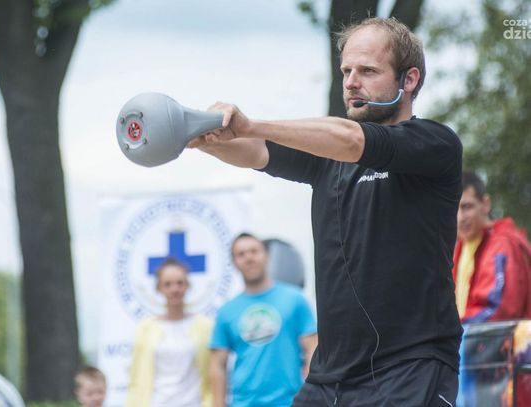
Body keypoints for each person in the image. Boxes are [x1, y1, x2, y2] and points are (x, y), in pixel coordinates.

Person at [190, 16, 463, 406]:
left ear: (409, 79)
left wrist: (250, 124)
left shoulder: (434, 144)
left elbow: (351, 141)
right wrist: (199, 136)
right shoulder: (327, 158)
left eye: (367, 71)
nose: (351, 82)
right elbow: (257, 151)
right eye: (346, 71)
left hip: (410, 368)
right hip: (329, 377)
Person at [210, 233, 317, 407]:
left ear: (266, 256)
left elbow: (313, 348)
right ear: (234, 263)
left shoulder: (295, 299)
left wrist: (311, 396)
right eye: (241, 254)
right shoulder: (226, 311)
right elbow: (217, 365)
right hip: (244, 403)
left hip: (290, 402)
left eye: (254, 251)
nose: (249, 258)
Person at [125, 258, 213, 407]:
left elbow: (214, 373)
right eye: (167, 284)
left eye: (180, 283)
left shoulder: (206, 326)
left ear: (187, 286)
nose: (174, 289)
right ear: (159, 288)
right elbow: (136, 376)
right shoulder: (145, 329)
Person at [452, 170, 531, 323]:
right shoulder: (459, 247)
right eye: (454, 208)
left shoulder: (502, 245)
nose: (460, 218)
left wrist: (450, 329)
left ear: (486, 204)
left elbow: (496, 310)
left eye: (467, 206)